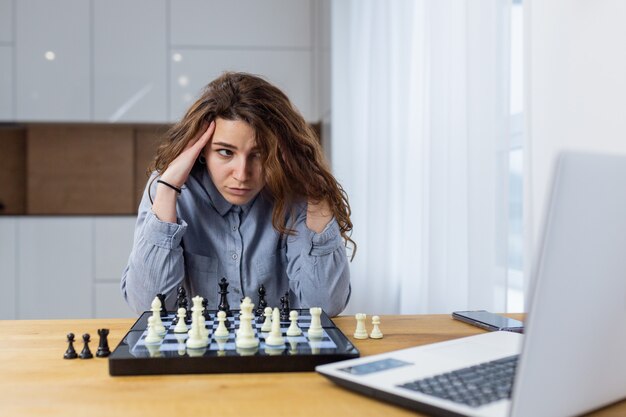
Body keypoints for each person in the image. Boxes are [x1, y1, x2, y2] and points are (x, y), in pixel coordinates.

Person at [121, 72, 355, 317]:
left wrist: (317, 194)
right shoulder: (168, 190)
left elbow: (325, 307)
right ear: (201, 151)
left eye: (259, 154)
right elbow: (147, 306)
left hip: (281, 353)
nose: (242, 174)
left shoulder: (298, 196)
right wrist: (167, 189)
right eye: (225, 152)